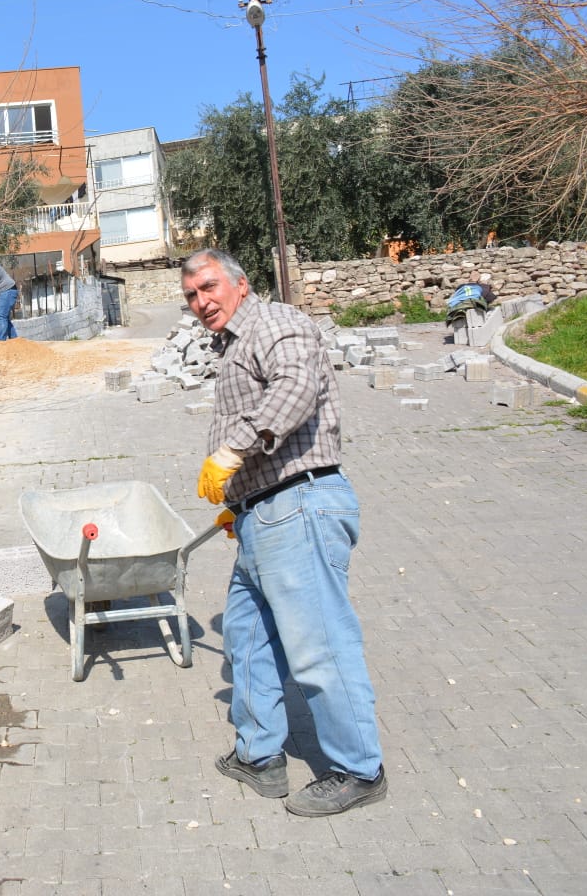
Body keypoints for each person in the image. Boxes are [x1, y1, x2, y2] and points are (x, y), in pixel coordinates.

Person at [183, 248, 387, 817]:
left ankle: (359, 768)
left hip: (299, 506)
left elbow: (296, 388)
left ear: (240, 284)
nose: (201, 302)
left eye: (208, 287)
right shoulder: (236, 343)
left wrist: (233, 451)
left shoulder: (274, 322)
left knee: (319, 647)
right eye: (192, 296)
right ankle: (260, 755)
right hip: (265, 515)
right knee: (247, 638)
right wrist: (238, 499)